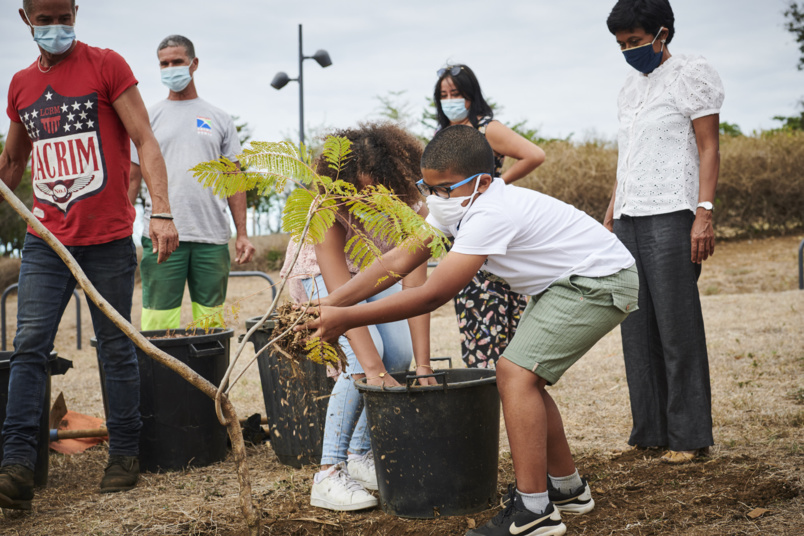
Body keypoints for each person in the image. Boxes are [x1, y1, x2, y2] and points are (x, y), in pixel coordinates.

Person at [302, 125, 639, 536]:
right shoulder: (456, 204)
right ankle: (567, 489)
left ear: (481, 182)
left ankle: (534, 514)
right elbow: (398, 260)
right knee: (523, 378)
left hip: (598, 281)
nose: (435, 198)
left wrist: (347, 318)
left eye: (445, 188)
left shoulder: (490, 213)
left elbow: (432, 294)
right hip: (564, 283)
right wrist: (333, 302)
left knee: (515, 376)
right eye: (428, 186)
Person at [0, 0, 178, 510]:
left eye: (64, 16)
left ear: (76, 12)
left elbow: (144, 138)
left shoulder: (107, 65)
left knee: (115, 346)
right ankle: (15, 465)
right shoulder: (19, 85)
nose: (56, 27)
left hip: (107, 240)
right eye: (45, 19)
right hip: (45, 240)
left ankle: (124, 453)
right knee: (29, 346)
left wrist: (160, 211)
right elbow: (13, 160)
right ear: (25, 19)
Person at [279, 122, 432, 512]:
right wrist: (371, 367)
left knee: (397, 356)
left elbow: (415, 292)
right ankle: (328, 473)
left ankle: (361, 456)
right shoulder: (327, 209)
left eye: (377, 189)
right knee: (367, 361)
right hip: (322, 277)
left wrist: (425, 364)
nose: (367, 199)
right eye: (359, 190)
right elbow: (339, 305)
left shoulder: (413, 208)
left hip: (373, 273)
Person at [604, 0, 723, 464]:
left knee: (677, 327)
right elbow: (627, 158)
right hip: (630, 217)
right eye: (621, 45)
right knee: (636, 328)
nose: (629, 51)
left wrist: (704, 211)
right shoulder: (629, 88)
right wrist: (612, 212)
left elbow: (709, 147)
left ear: (662, 34)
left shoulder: (693, 73)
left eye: (634, 42)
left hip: (673, 213)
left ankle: (691, 437)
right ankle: (649, 433)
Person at [128, 35, 255, 331]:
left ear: (194, 64)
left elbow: (234, 180)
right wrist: (123, 227)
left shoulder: (219, 118)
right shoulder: (147, 117)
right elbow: (133, 175)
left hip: (211, 238)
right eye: (164, 63)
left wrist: (243, 234)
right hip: (160, 236)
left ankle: (208, 378)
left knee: (210, 326)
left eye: (177, 62)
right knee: (159, 324)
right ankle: (160, 377)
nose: (171, 68)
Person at [433, 64, 545, 369]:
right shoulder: (441, 134)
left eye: (455, 93)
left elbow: (534, 154)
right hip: (459, 234)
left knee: (506, 321)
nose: (449, 99)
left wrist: (494, 186)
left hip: (491, 230)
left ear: (470, 95)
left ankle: (514, 379)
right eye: (443, 95)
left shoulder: (487, 128)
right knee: (476, 326)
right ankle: (484, 383)